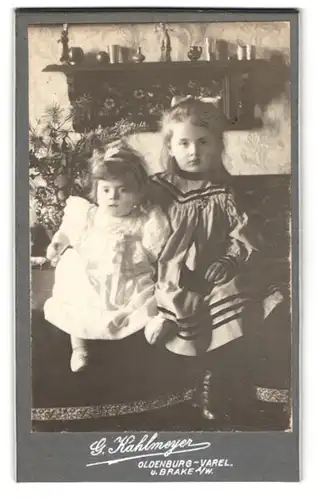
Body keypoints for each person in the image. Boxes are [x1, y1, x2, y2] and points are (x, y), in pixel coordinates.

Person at [145, 96, 282, 420]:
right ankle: (190, 380)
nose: (194, 151)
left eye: (203, 142)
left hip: (214, 270)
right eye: (185, 143)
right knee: (177, 300)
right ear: (171, 147)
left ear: (217, 146)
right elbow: (136, 225)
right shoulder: (158, 188)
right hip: (171, 270)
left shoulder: (223, 191)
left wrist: (230, 261)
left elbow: (242, 235)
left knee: (232, 295)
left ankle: (214, 379)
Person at [44, 139, 170, 372]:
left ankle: (151, 326)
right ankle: (79, 349)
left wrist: (146, 239)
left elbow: (154, 249)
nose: (113, 197)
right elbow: (68, 231)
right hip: (93, 276)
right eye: (106, 190)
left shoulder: (142, 219)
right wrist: (57, 244)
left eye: (123, 190)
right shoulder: (89, 215)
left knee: (144, 294)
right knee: (78, 294)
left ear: (138, 194)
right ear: (97, 191)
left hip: (127, 275)